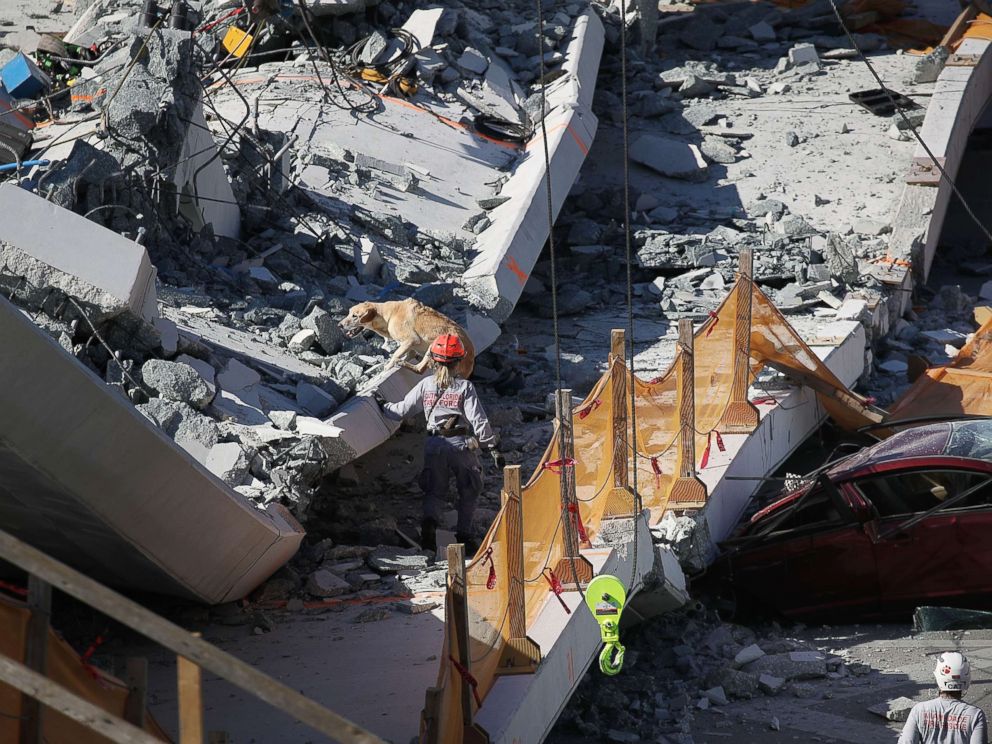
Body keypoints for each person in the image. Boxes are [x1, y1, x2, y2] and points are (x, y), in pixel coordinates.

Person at [374, 333, 504, 553]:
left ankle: (428, 534)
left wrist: (382, 405)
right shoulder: (464, 388)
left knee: (434, 490)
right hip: (460, 444)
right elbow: (478, 420)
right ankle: (465, 537)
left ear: (433, 360)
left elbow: (403, 410)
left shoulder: (426, 385)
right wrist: (490, 446)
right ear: (459, 361)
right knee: (470, 488)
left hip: (433, 445)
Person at [898, 652, 987, 744]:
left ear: (938, 678)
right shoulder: (975, 715)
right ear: (967, 679)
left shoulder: (919, 710)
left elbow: (906, 741)